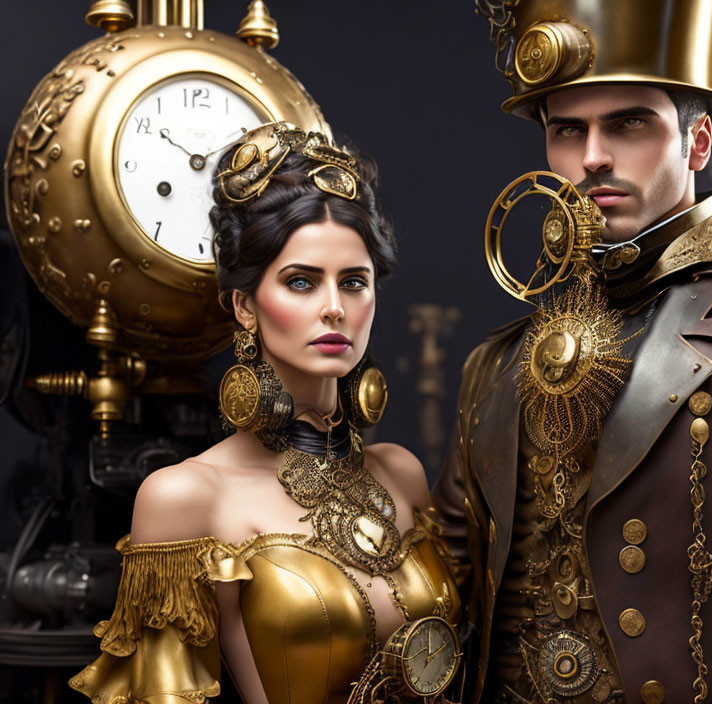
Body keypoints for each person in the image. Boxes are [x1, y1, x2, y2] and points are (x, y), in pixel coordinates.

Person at [434, 1, 712, 703]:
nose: (592, 157)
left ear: (699, 140)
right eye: (567, 130)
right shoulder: (495, 366)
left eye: (628, 122)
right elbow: (445, 601)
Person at [69, 123, 462, 704]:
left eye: (354, 282)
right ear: (246, 305)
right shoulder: (185, 498)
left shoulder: (398, 473)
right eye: (301, 282)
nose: (334, 308)